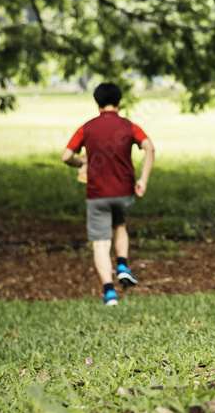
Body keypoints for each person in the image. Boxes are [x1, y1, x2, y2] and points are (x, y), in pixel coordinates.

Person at [61, 83, 155, 306]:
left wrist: (80, 161)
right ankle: (122, 264)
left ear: (97, 103)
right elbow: (149, 147)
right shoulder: (129, 126)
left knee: (101, 243)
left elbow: (65, 156)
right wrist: (143, 180)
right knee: (120, 226)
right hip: (124, 191)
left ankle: (110, 293)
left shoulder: (87, 128)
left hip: (97, 194)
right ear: (119, 102)